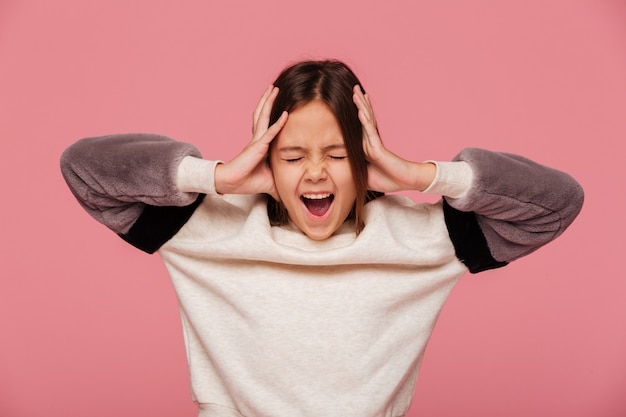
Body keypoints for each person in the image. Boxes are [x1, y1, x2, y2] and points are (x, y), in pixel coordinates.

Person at [60, 60, 584, 417]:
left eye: (337, 156)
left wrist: (417, 175)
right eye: (292, 157)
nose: (315, 173)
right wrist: (217, 177)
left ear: (365, 158)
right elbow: (85, 170)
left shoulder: (427, 238)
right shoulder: (203, 226)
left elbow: (556, 203)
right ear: (267, 159)